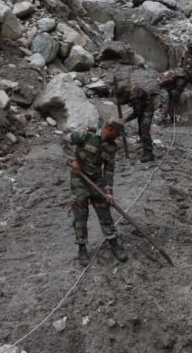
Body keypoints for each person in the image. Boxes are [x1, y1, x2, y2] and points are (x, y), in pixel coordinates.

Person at [63, 120, 129, 266]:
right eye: (117, 133)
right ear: (110, 129)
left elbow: (109, 170)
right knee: (80, 214)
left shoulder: (112, 147)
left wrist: (109, 192)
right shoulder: (86, 134)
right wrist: (73, 160)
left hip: (96, 181)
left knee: (104, 211)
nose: (118, 137)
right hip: (79, 180)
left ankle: (113, 242)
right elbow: (65, 141)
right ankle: (82, 247)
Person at [117, 83, 156, 162]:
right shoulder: (128, 92)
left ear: (125, 93)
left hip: (148, 107)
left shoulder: (136, 95)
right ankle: (143, 144)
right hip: (141, 107)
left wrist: (125, 120)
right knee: (140, 126)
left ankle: (149, 153)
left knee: (144, 127)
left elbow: (137, 113)